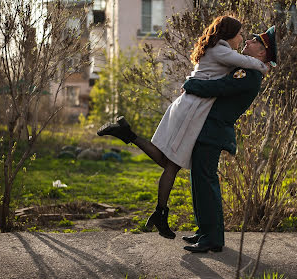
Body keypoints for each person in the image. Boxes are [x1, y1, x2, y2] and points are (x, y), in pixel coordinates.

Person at [97, 16, 268, 240]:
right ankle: (160, 212)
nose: (242, 39)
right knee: (172, 165)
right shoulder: (222, 50)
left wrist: (190, 82)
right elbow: (245, 63)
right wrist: (264, 65)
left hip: (188, 107)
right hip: (191, 110)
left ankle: (127, 134)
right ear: (228, 34)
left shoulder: (215, 48)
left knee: (170, 163)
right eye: (239, 35)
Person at [181, 26, 277, 253]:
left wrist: (190, 84)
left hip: (212, 132)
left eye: (254, 41)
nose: (249, 42)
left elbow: (219, 87)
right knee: (200, 182)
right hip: (207, 129)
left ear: (262, 53)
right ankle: (205, 231)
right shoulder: (245, 68)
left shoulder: (249, 74)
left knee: (207, 183)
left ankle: (212, 239)